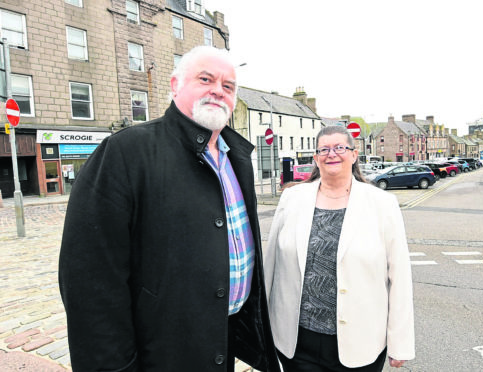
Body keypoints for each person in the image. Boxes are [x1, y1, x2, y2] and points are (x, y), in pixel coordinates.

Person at [58, 46, 280, 372]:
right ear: (175, 85)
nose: (218, 90)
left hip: (222, 339)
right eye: (206, 79)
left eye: (228, 86)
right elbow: (91, 285)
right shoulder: (125, 152)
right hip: (160, 353)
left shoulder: (238, 158)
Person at [264, 126, 415, 371]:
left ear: (354, 155)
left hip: (361, 342)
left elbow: (399, 277)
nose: (331, 154)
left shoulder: (382, 204)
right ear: (315, 158)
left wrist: (400, 342)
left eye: (339, 148)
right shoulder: (292, 199)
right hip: (297, 342)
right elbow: (271, 266)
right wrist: (261, 326)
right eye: (324, 149)